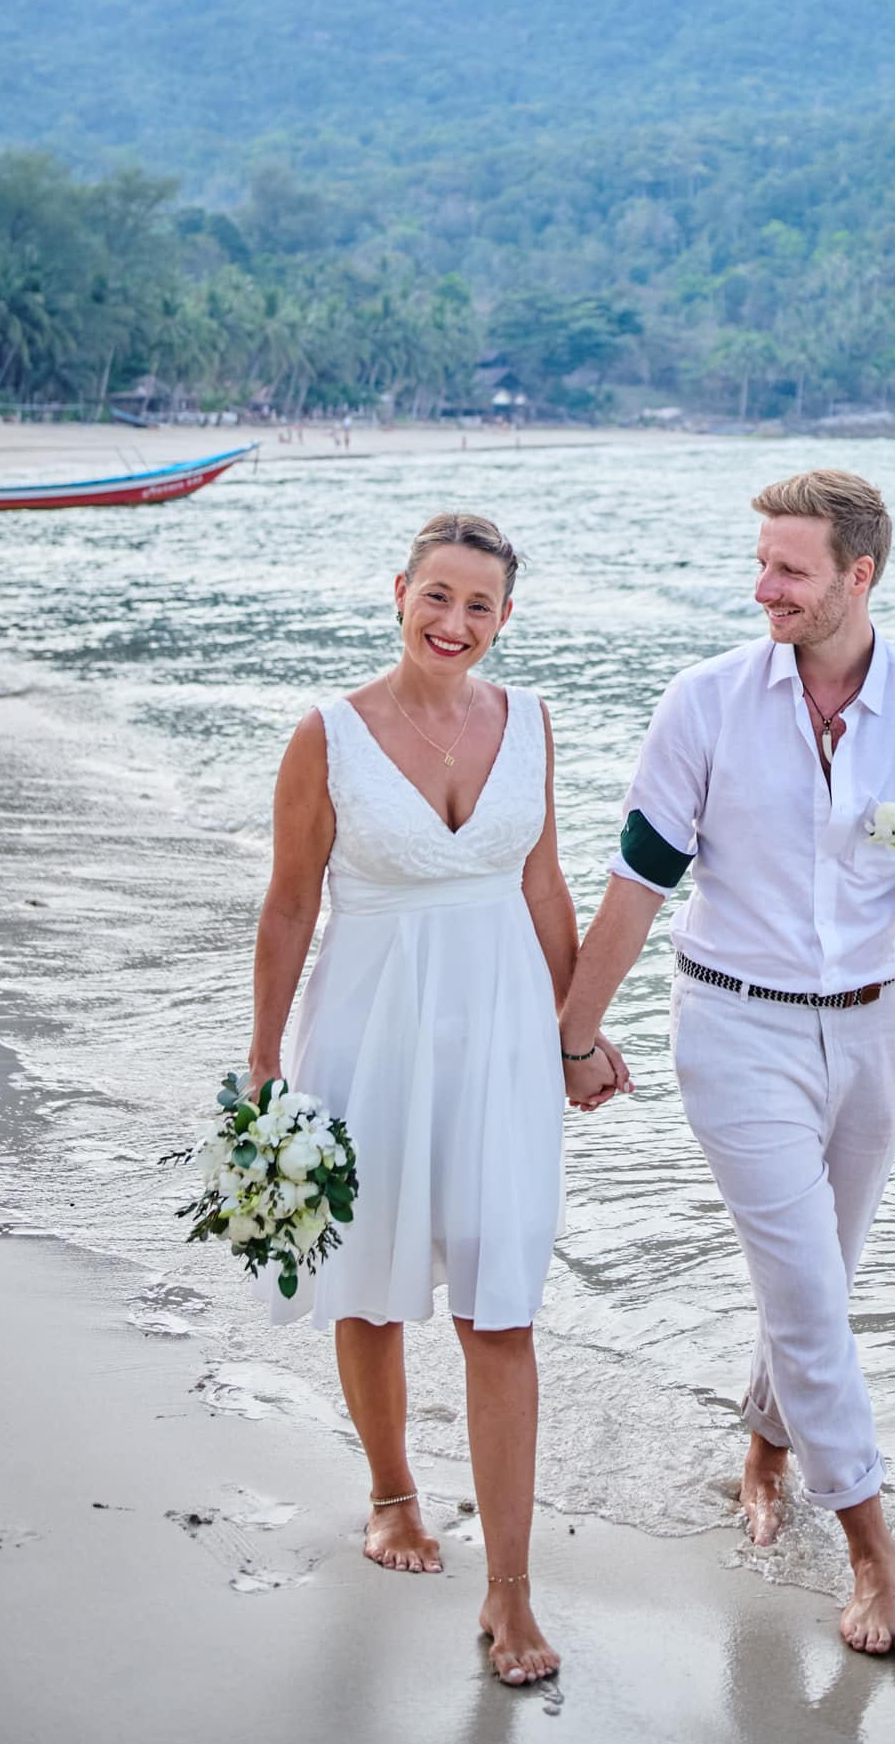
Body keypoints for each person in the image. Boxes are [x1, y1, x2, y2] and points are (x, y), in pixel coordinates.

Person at [559, 469, 895, 1656]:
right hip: (734, 1026)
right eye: (762, 561)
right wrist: (573, 1033)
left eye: (792, 568)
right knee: (808, 1294)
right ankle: (874, 1558)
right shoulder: (704, 704)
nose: (766, 587)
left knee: (822, 1281)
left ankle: (763, 1453)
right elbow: (637, 887)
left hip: (874, 1031)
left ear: (860, 576)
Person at [246, 509, 629, 1684]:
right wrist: (263, 1066)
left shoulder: (533, 724)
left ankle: (509, 1596)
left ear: (506, 617)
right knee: (370, 1284)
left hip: (505, 1033)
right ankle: (393, 1495)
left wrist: (577, 1033)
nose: (455, 622)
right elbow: (289, 904)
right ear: (397, 594)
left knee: (500, 1304)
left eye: (480, 605)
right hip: (370, 1028)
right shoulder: (330, 734)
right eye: (437, 597)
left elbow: (546, 882)